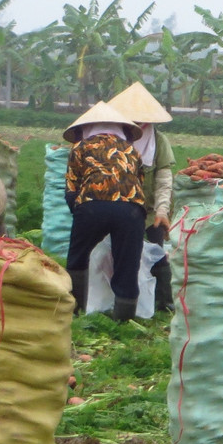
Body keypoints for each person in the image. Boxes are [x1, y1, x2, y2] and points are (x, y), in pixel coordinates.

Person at [63, 101, 144, 322]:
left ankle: (75, 311)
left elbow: (71, 189)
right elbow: (139, 182)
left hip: (92, 205)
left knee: (78, 258)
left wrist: (80, 215)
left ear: (86, 128)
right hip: (131, 209)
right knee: (127, 264)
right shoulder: (131, 150)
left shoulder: (80, 148)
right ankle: (123, 320)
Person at [107, 81, 176, 313]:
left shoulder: (158, 141)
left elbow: (164, 179)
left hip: (148, 209)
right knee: (117, 255)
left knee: (156, 252)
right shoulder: (111, 139)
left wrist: (162, 211)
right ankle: (117, 302)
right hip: (116, 208)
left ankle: (164, 303)